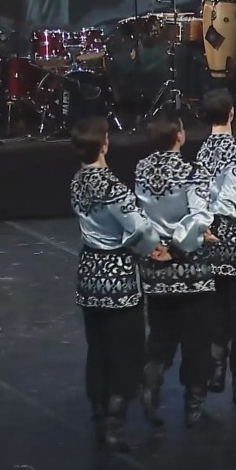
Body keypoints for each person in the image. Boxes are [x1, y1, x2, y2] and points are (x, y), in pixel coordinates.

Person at [70, 116, 168, 451]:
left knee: (98, 347)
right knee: (126, 348)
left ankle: (100, 415)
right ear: (104, 145)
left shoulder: (77, 182)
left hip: (90, 272)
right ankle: (115, 421)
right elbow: (139, 228)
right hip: (118, 275)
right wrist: (152, 248)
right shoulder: (112, 187)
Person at [134, 115, 219, 429]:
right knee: (197, 338)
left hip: (155, 266)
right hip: (189, 268)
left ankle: (151, 378)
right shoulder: (192, 172)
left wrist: (153, 246)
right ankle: (194, 405)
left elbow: (140, 214)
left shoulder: (141, 169)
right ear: (180, 136)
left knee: (161, 332)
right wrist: (178, 248)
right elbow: (199, 216)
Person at [194, 89, 236, 397]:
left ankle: (217, 369)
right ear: (232, 113)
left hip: (211, 241)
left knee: (216, 310)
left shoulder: (201, 153)